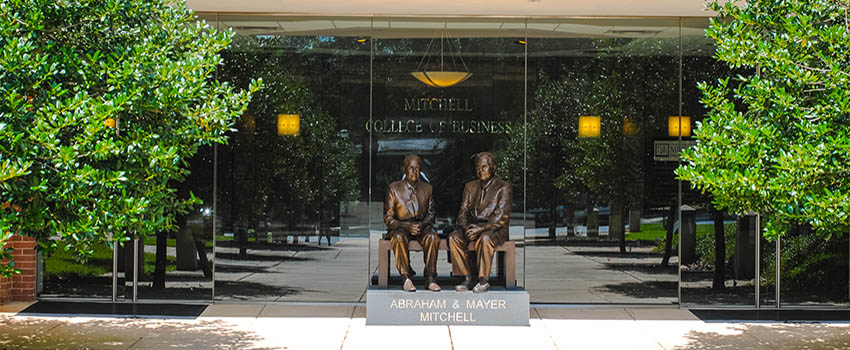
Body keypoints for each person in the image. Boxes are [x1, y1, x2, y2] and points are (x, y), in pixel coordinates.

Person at [449, 152, 512, 293]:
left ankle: (483, 280)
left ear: (493, 167)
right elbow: (462, 213)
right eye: (478, 167)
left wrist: (481, 229)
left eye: (484, 167)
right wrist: (466, 228)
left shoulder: (504, 187)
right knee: (454, 237)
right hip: (472, 227)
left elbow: (501, 216)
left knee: (485, 239)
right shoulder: (470, 186)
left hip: (494, 229)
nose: (480, 171)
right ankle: (466, 277)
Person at [384, 155, 441, 292]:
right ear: (404, 170)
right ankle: (406, 278)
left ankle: (430, 278)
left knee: (433, 237)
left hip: (422, 226)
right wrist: (406, 226)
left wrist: (421, 225)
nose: (414, 171)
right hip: (401, 227)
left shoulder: (427, 188)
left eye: (417, 168)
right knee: (398, 238)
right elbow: (388, 218)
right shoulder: (394, 188)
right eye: (411, 168)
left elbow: (431, 214)